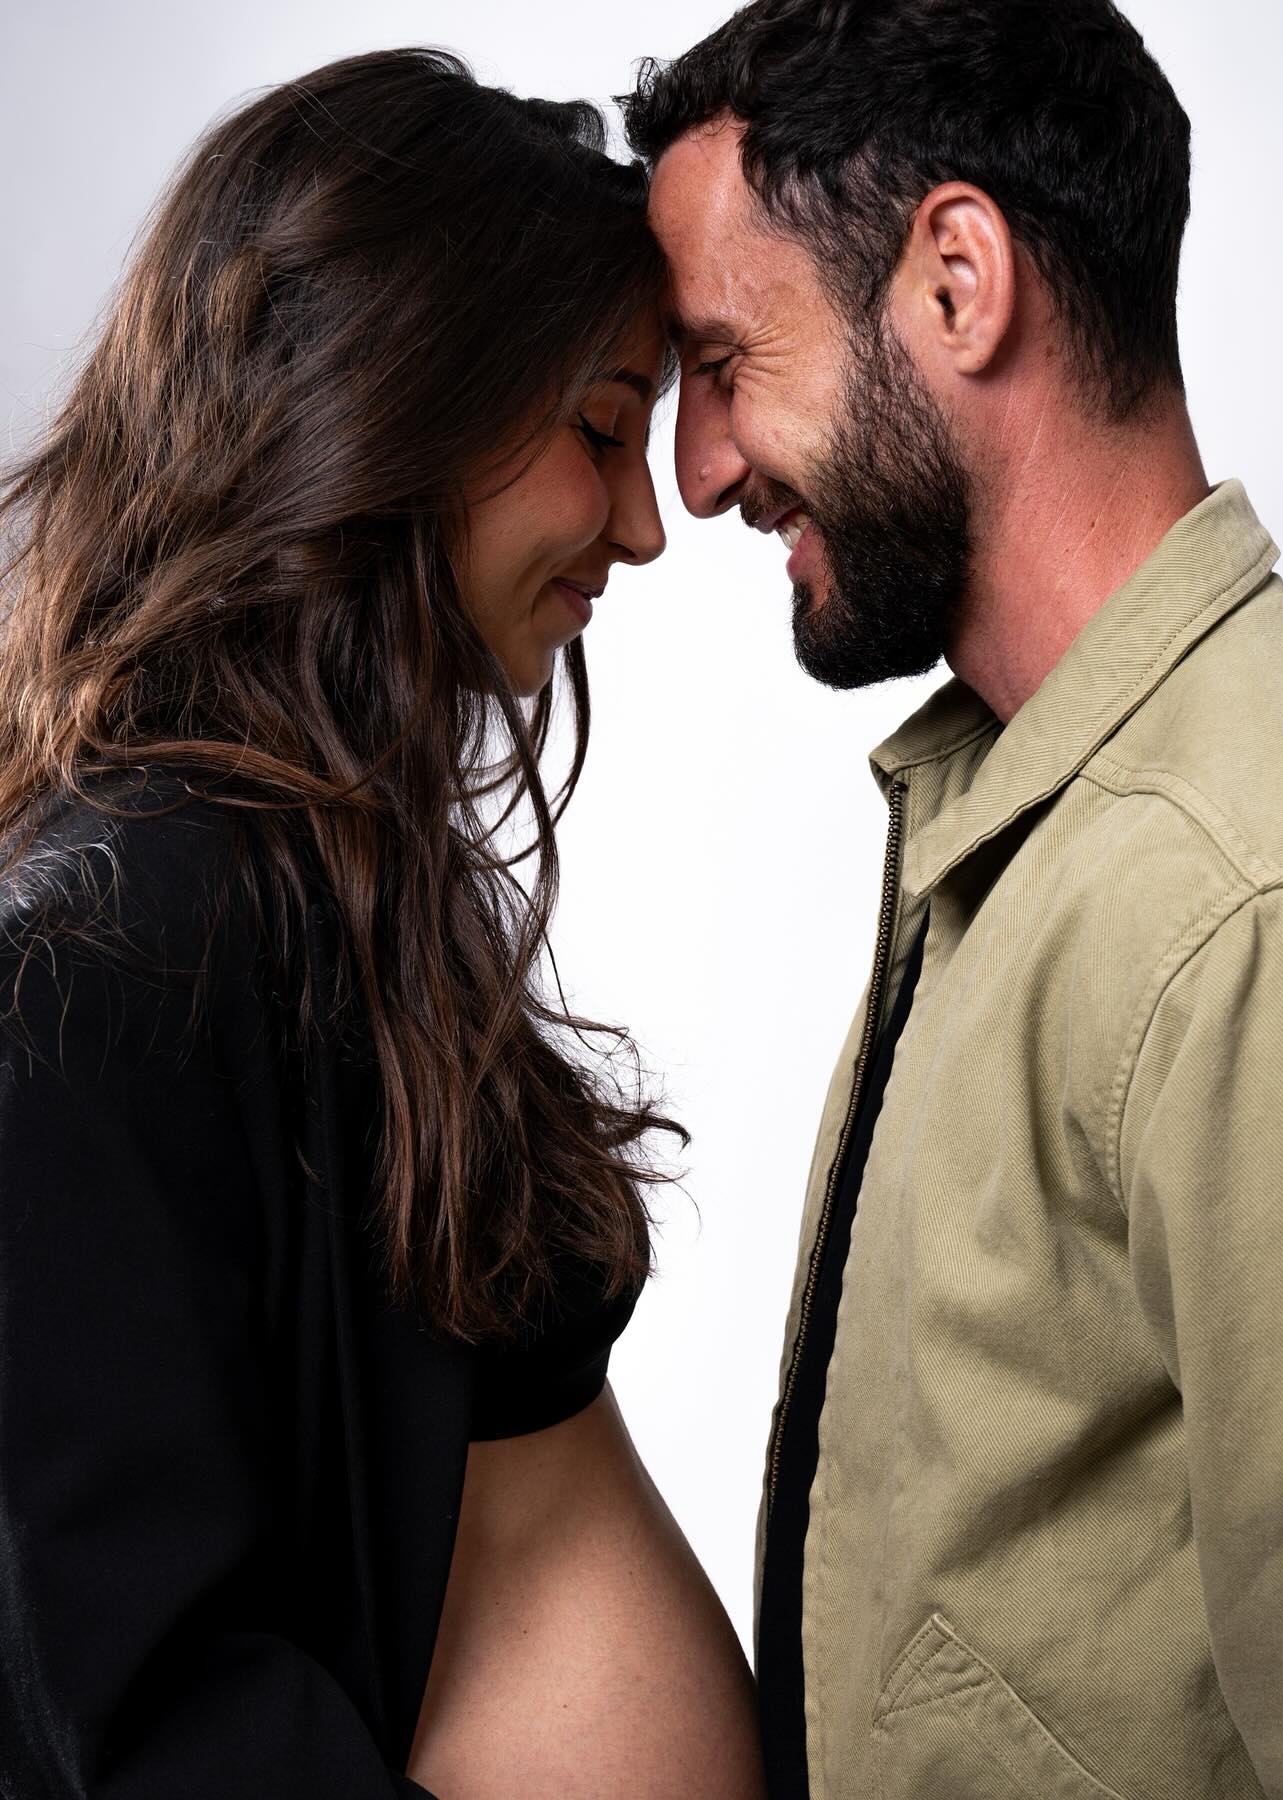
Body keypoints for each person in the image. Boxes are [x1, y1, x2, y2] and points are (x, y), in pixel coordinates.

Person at [623, 2, 1283, 1796]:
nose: (696, 472)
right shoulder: (1035, 822)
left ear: (957, 284)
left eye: (724, 360)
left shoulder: (1273, 906)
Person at [0, 49, 766, 1800]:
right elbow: (139, 1707)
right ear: (397, 392)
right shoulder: (92, 962)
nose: (644, 526)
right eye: (601, 430)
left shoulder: (325, 887)